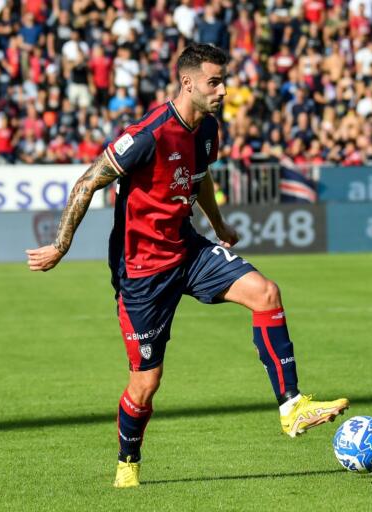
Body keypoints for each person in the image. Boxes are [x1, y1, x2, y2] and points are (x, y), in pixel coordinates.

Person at [26, 44, 349, 488]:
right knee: (146, 384)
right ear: (188, 82)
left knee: (265, 293)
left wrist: (219, 225)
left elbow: (201, 176)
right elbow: (87, 182)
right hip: (142, 272)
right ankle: (127, 462)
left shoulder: (208, 130)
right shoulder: (148, 134)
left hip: (189, 250)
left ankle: (291, 406)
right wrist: (61, 245)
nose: (222, 90)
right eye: (214, 81)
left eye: (224, 81)